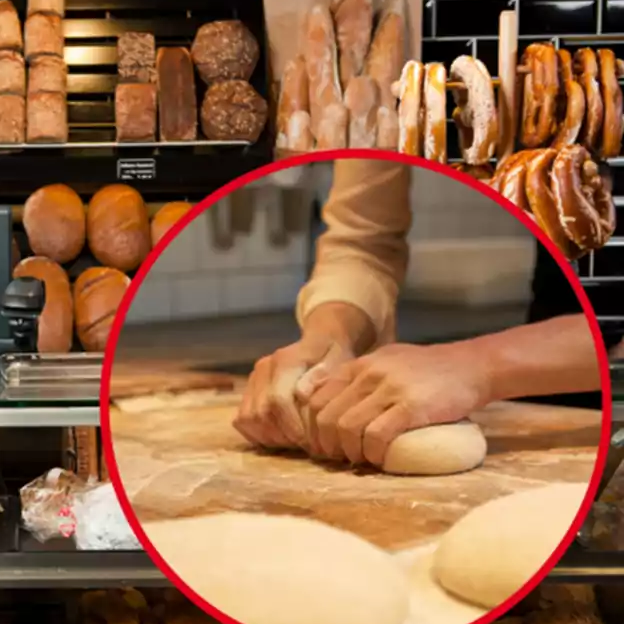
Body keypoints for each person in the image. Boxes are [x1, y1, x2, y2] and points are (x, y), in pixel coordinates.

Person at [234, 159, 613, 468]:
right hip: (549, 399)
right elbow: (362, 242)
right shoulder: (394, 73)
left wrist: (479, 365)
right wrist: (331, 332)